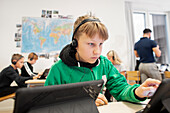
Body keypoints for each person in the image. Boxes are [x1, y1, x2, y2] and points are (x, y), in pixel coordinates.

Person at [45, 15, 161, 106]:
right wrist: (80, 103)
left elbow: (121, 89)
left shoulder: (104, 64)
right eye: (91, 44)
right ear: (75, 43)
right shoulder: (58, 69)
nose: (97, 51)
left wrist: (137, 92)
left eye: (101, 44)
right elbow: (46, 104)